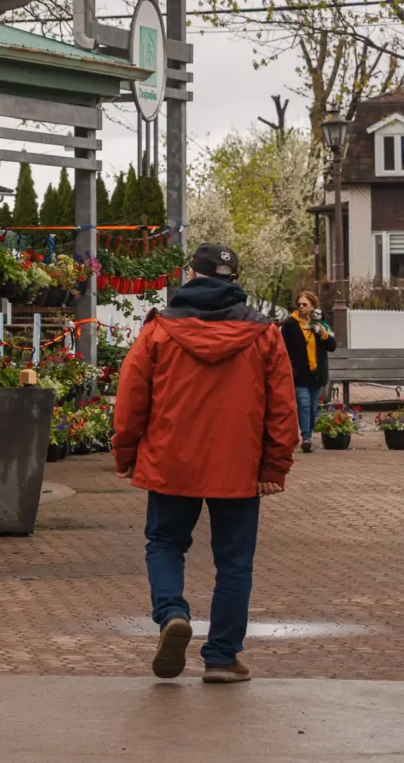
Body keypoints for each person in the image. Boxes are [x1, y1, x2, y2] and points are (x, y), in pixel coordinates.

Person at [115, 242, 295, 685]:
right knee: (234, 561)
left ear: (191, 274)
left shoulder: (159, 329)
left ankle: (172, 613)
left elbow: (131, 397)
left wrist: (126, 452)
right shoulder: (264, 333)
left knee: (165, 542)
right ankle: (221, 657)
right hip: (240, 464)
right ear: (235, 281)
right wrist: (274, 466)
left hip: (170, 459)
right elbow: (282, 406)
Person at [280, 290, 336, 453]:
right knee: (303, 404)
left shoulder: (319, 323)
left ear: (312, 306)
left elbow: (332, 346)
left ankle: (309, 435)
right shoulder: (290, 325)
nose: (301, 307)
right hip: (299, 374)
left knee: (312, 407)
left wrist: (323, 334)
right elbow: (282, 348)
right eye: (299, 304)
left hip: (316, 373)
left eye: (305, 304)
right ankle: (306, 437)